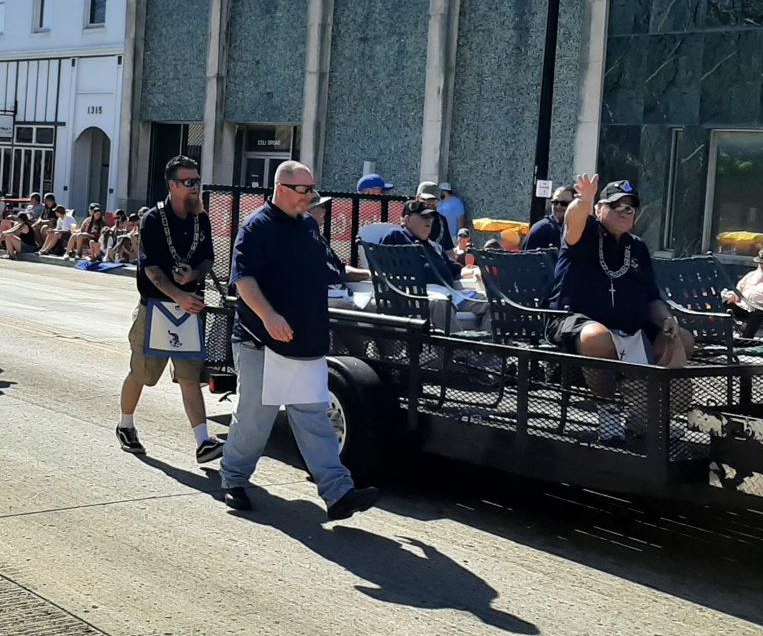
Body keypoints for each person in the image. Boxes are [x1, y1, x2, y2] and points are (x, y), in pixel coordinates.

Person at [221, 160, 379, 519]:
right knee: (254, 419)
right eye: (303, 190)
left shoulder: (308, 227)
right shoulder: (256, 227)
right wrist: (269, 316)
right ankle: (233, 480)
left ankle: (338, 493)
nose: (310, 197)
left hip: (305, 342)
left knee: (314, 418)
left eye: (311, 189)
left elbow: (332, 270)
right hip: (259, 340)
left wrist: (373, 275)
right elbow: (244, 281)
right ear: (281, 189)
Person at [547, 175, 694, 441]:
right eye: (615, 206)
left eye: (630, 208)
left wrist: (666, 319)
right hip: (576, 321)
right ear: (599, 208)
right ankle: (608, 413)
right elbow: (573, 220)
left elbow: (652, 298)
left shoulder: (637, 246)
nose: (624, 212)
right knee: (597, 338)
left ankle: (645, 417)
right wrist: (583, 200)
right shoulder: (586, 231)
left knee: (682, 337)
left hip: (631, 325)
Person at [115, 155, 222, 463]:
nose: (195, 187)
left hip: (188, 309)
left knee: (189, 377)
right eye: (189, 182)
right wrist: (178, 294)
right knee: (143, 375)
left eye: (198, 181)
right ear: (172, 185)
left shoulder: (201, 218)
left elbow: (207, 259)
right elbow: (152, 271)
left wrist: (194, 275)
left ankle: (203, 443)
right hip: (156, 308)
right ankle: (125, 425)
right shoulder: (152, 219)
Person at [381, 200, 489, 332]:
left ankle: (490, 351)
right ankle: (459, 351)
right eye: (424, 217)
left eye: (431, 217)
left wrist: (472, 271)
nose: (429, 221)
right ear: (407, 220)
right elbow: (383, 269)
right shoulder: (396, 235)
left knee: (492, 305)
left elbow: (454, 269)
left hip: (450, 292)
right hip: (417, 294)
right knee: (440, 303)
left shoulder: (433, 246)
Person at [523, 186, 573, 250]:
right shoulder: (540, 229)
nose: (558, 206)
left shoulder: (584, 228)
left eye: (564, 203)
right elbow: (526, 258)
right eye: (555, 203)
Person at [415, 181, 455, 258]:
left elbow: (449, 251)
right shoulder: (411, 219)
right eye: (426, 200)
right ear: (418, 198)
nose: (430, 203)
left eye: (434, 200)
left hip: (437, 265)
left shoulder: (442, 221)